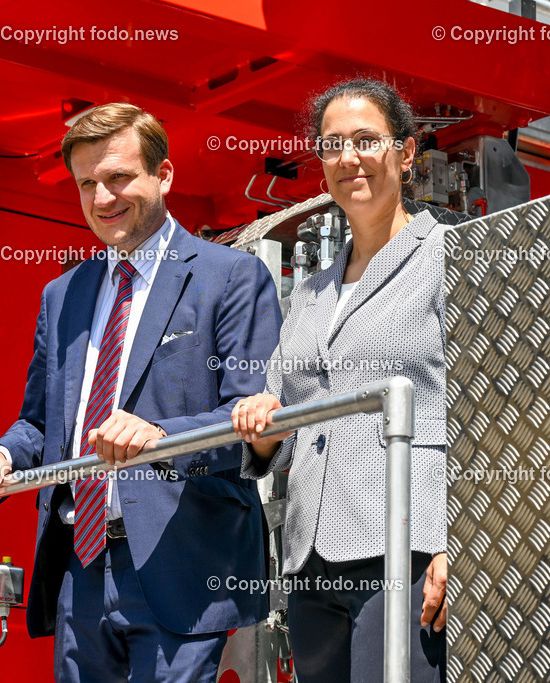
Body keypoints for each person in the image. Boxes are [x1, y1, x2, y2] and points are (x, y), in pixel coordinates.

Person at [0, 102, 282, 683]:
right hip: (80, 564)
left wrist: (159, 437)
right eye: (87, 184)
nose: (102, 198)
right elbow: (40, 423)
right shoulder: (63, 294)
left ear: (165, 175)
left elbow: (251, 419)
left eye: (119, 178)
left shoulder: (230, 276)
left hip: (183, 560)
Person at [232, 78, 448, 682]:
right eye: (332, 145)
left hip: (406, 545)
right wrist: (261, 430)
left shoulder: (447, 258)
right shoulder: (311, 292)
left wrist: (462, 544)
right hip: (311, 556)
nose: (348, 158)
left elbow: (491, 407)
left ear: (405, 155)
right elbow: (281, 416)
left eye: (365, 140)